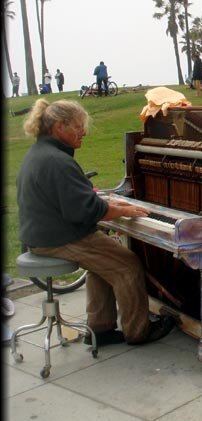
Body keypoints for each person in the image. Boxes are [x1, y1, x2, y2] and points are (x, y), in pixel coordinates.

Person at [16, 99, 175, 346]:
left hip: (41, 237)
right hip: (59, 239)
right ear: (59, 127)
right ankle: (138, 331)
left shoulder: (40, 154)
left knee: (104, 265)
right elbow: (85, 210)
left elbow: (78, 200)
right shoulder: (57, 161)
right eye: (78, 127)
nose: (84, 132)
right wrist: (121, 210)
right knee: (127, 265)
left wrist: (117, 207)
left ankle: (100, 329)